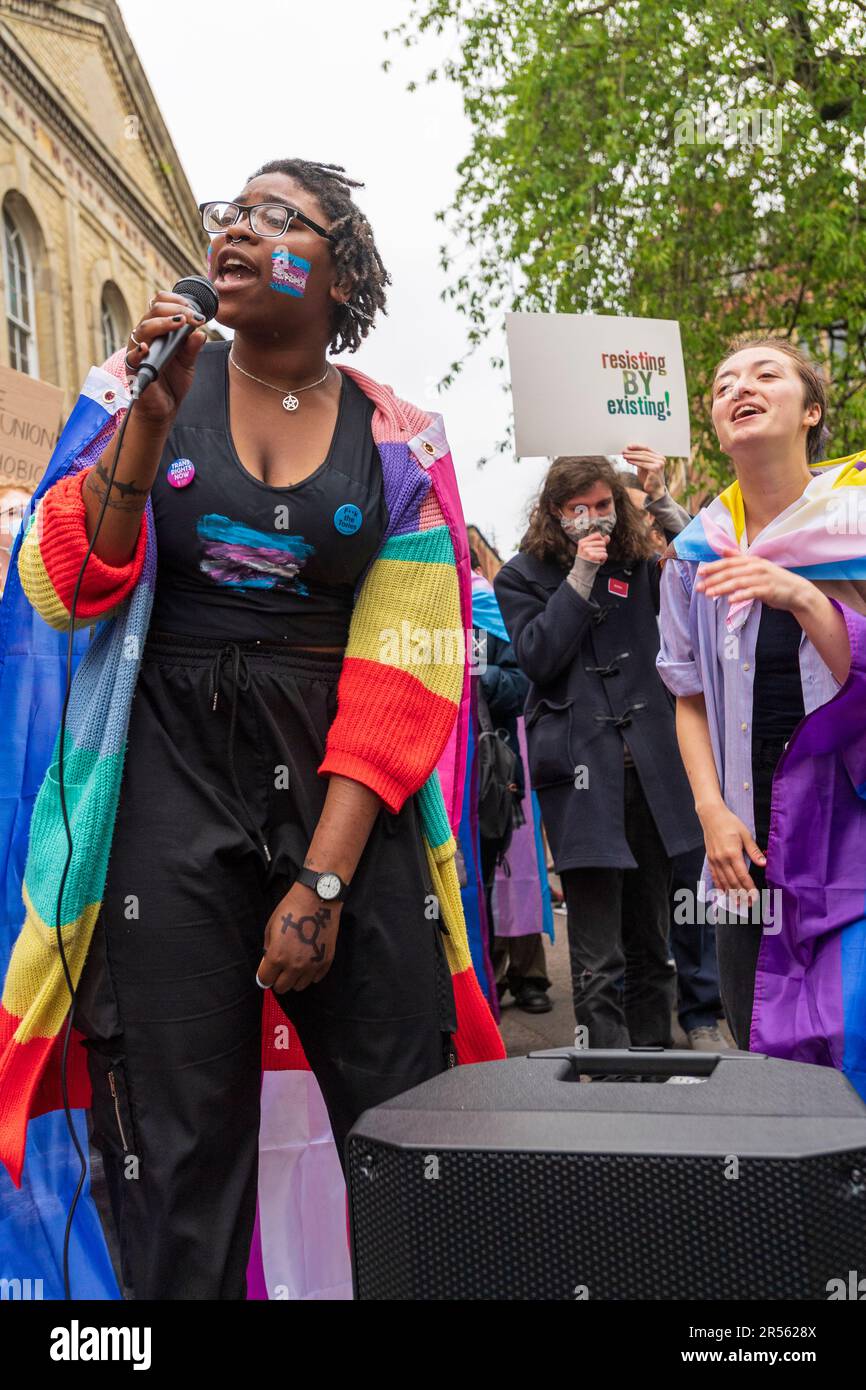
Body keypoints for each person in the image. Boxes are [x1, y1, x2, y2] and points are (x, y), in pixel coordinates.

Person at [0, 158, 503, 1299]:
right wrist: (145, 428)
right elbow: (62, 587)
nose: (239, 229)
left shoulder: (396, 441)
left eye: (282, 218)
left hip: (343, 784)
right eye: (233, 210)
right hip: (170, 772)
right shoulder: (139, 385)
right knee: (179, 1148)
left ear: (340, 270)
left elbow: (409, 669)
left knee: (403, 1122)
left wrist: (322, 886)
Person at [657, 336, 866, 1079]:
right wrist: (711, 812)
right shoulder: (694, 553)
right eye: (722, 385)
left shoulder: (857, 525)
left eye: (765, 374)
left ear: (811, 411)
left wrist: (803, 596)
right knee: (762, 1061)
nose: (739, 387)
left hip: (848, 841)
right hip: (744, 848)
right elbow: (687, 696)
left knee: (851, 1051)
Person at [495, 447, 703, 1051]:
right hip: (582, 775)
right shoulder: (521, 575)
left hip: (653, 771)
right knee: (598, 953)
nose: (594, 519)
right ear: (555, 513)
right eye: (578, 509)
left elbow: (706, 560)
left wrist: (660, 497)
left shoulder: (640, 560)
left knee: (650, 943)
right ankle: (605, 1074)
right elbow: (537, 657)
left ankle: (653, 1066)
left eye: (604, 505)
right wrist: (581, 577)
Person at [470, 549, 553, 1013]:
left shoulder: (488, 608)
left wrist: (479, 674)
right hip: (445, 777)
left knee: (515, 868)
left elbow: (523, 684)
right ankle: (483, 980)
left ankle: (528, 975)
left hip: (496, 772)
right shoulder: (421, 610)